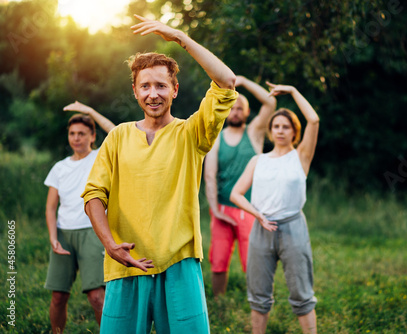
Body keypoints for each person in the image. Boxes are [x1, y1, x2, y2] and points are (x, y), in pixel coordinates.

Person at [81, 14, 237, 333]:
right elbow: (94, 194)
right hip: (126, 265)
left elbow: (226, 81)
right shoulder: (118, 137)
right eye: (146, 86)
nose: (154, 94)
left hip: (179, 265)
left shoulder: (192, 134)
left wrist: (181, 37)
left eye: (161, 85)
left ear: (175, 90)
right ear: (136, 91)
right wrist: (110, 244)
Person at [230, 82, 320, 334]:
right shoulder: (258, 161)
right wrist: (256, 213)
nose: (280, 131)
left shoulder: (301, 157)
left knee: (302, 294)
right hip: (261, 228)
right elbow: (236, 193)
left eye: (286, 127)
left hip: (293, 228)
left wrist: (292, 91)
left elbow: (313, 120)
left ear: (294, 132)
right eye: (276, 126)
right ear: (270, 131)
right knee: (258, 294)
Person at [44, 101, 115, 333]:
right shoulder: (59, 168)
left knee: (96, 297)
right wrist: (54, 238)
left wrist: (91, 111)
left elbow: (115, 132)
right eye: (73, 134)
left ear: (92, 136)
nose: (76, 138)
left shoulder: (99, 157)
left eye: (82, 134)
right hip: (64, 234)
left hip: (93, 232)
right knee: (58, 296)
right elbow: (50, 207)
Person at [204, 75, 276, 297]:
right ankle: (219, 302)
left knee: (252, 260)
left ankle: (257, 300)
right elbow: (209, 176)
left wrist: (243, 83)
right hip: (222, 209)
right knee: (218, 261)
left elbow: (270, 102)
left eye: (240, 108)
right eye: (232, 107)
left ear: (246, 112)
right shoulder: (216, 138)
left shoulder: (254, 133)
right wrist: (216, 210)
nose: (235, 112)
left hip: (250, 209)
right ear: (226, 111)